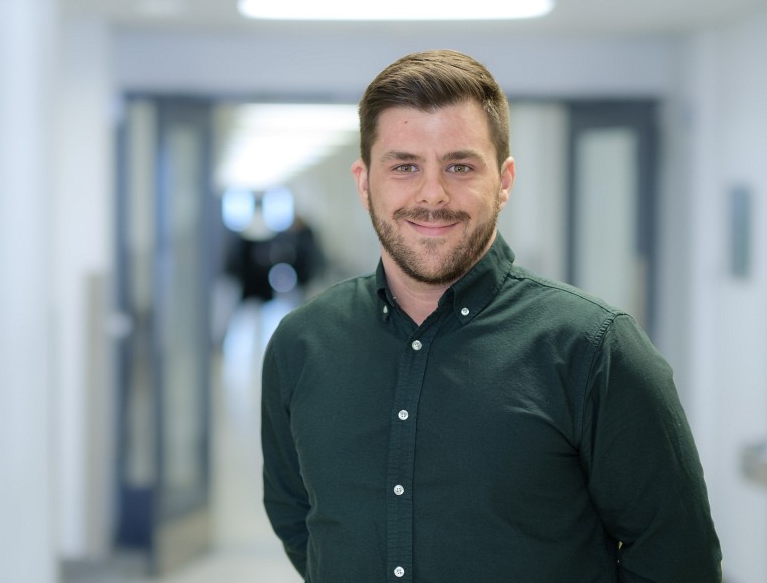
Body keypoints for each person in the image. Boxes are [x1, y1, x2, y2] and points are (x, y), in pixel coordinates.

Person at [261, 50, 721, 582]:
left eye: (460, 166)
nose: (432, 194)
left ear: (503, 181)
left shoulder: (594, 349)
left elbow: (676, 557)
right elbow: (301, 520)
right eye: (404, 166)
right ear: (365, 182)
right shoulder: (303, 342)